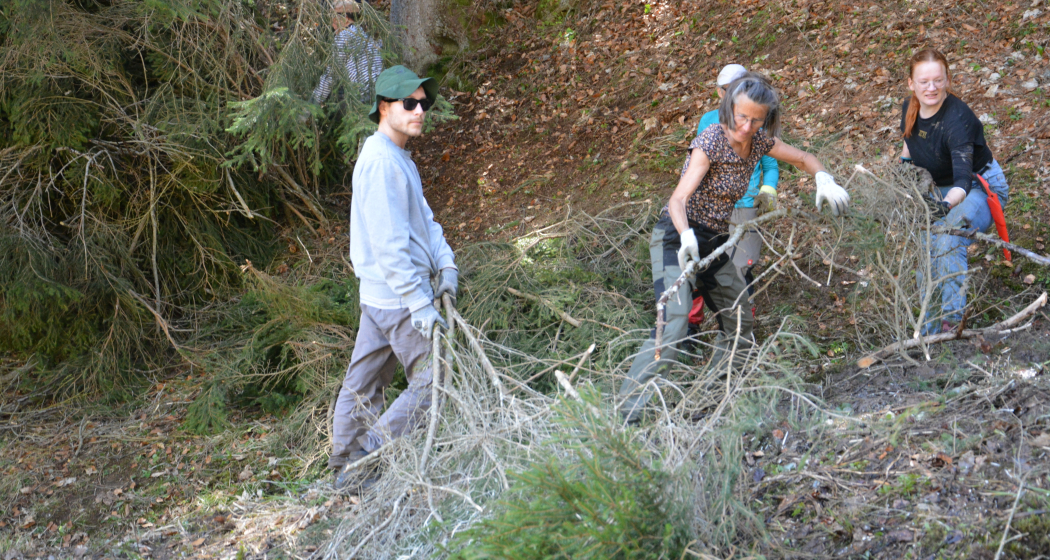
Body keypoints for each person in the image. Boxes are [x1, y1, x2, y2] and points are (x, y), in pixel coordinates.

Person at [618, 73, 850, 424]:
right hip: (676, 239)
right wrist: (685, 236)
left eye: (756, 119)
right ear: (729, 107)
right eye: (741, 116)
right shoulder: (710, 140)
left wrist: (823, 178)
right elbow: (678, 199)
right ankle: (627, 412)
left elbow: (803, 157)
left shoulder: (758, 141)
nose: (746, 126)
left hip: (713, 241)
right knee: (676, 321)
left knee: (740, 317)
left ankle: (718, 392)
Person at [330, 65, 458, 490]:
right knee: (436, 379)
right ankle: (367, 459)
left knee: (362, 382)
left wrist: (447, 264)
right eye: (409, 102)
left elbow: (424, 221)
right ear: (385, 108)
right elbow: (389, 246)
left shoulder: (397, 157)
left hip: (383, 297)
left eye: (423, 103)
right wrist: (419, 302)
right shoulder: (381, 164)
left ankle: (345, 466)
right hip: (398, 299)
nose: (420, 110)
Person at [898, 48, 1010, 334]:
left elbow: (962, 181)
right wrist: (900, 172)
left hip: (979, 186)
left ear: (947, 79)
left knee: (947, 237)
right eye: (924, 81)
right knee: (925, 244)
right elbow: (910, 145)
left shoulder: (957, 120)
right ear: (911, 83)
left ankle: (951, 322)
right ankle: (928, 325)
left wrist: (943, 208)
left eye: (938, 80)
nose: (931, 88)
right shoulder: (909, 108)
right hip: (941, 187)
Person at [689, 63, 780, 327]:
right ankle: (692, 324)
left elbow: (771, 164)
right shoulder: (708, 121)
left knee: (741, 267)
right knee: (701, 266)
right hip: (713, 209)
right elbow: (701, 162)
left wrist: (767, 189)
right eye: (726, 90)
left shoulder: (756, 119)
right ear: (720, 93)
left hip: (745, 205)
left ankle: (741, 326)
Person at [311, 0, 383, 105]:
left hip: (362, 97)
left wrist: (313, 102)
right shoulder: (367, 33)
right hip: (380, 90)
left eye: (334, 19)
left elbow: (331, 74)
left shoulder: (344, 37)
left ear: (345, 19)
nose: (332, 24)